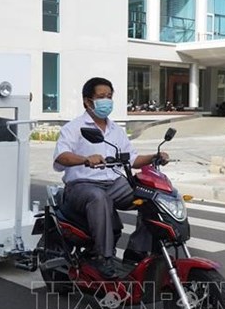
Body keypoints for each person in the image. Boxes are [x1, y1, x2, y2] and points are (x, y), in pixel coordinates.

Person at [53, 77, 169, 279]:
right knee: (99, 198)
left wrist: (154, 157)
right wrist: (85, 159)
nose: (106, 101)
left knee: (150, 195)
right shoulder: (73, 127)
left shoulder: (116, 130)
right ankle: (103, 258)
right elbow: (61, 156)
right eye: (101, 97)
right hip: (81, 186)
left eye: (109, 97)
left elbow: (132, 159)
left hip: (114, 184)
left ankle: (137, 250)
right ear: (88, 101)